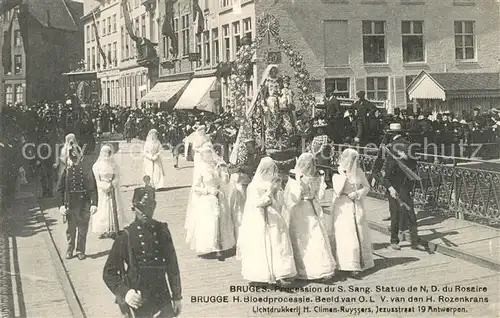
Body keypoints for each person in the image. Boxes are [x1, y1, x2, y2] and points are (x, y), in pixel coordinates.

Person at [102, 183, 182, 318]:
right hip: (138, 296)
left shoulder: (162, 230)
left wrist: (177, 296)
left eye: (149, 208)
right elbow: (109, 273)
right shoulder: (126, 236)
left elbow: (172, 266)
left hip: (162, 295)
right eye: (141, 208)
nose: (145, 212)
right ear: (134, 208)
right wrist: (125, 293)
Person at [238, 157, 296, 286]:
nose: (271, 173)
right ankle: (262, 275)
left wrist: (278, 191)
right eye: (269, 170)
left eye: (273, 170)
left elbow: (280, 204)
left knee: (278, 243)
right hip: (260, 218)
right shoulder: (254, 186)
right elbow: (258, 203)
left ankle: (281, 273)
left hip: (274, 217)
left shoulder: (273, 183)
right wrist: (270, 192)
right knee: (262, 244)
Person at [283, 153, 336, 281]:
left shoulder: (302, 177)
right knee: (310, 237)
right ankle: (315, 268)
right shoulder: (307, 177)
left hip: (306, 209)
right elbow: (318, 196)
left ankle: (314, 269)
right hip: (308, 209)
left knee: (310, 238)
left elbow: (297, 196)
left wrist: (298, 181)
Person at [327, 148, 374, 279]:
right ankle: (347, 264)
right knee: (347, 235)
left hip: (356, 204)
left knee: (359, 231)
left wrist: (358, 193)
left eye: (354, 160)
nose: (353, 162)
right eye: (351, 159)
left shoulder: (359, 172)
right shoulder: (338, 173)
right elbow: (337, 190)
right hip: (343, 206)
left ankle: (359, 262)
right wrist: (343, 176)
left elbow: (367, 187)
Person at [371, 123, 419, 250]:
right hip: (406, 182)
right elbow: (414, 165)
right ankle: (413, 238)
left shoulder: (387, 147)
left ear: (389, 134)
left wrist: (381, 181)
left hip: (392, 182)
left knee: (395, 210)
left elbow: (378, 167)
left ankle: (394, 240)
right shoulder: (409, 145)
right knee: (409, 209)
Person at [185, 143, 235, 260]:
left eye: (210, 154)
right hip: (207, 198)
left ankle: (221, 246)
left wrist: (224, 171)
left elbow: (225, 182)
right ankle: (213, 246)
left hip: (219, 196)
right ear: (202, 157)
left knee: (221, 220)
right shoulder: (200, 170)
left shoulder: (217, 167)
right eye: (206, 155)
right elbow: (195, 188)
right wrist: (207, 190)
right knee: (211, 221)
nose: (209, 157)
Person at [58, 141, 97, 260]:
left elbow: (92, 188)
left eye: (76, 158)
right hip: (71, 203)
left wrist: (94, 203)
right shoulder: (66, 171)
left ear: (81, 157)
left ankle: (80, 250)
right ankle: (70, 249)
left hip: (84, 203)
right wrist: (61, 206)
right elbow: (60, 189)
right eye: (72, 158)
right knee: (70, 229)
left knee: (83, 229)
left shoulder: (86, 170)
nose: (74, 161)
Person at [92, 145, 130, 239]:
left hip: (113, 188)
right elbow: (97, 180)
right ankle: (104, 230)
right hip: (102, 191)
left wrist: (113, 184)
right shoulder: (97, 166)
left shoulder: (114, 164)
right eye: (105, 153)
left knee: (114, 207)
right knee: (103, 208)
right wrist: (105, 186)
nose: (107, 155)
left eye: (108, 153)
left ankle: (115, 228)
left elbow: (117, 176)